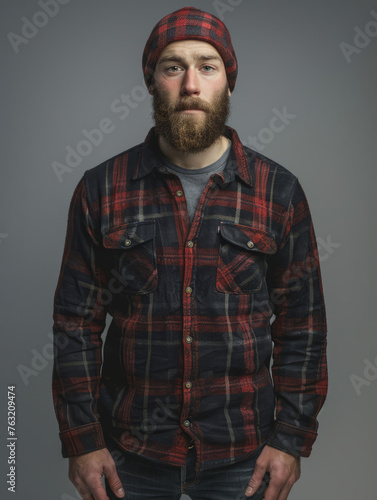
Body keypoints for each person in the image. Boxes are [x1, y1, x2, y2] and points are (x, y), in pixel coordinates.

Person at [52, 6, 328, 500]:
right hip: (127, 453)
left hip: (243, 452)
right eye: (173, 66)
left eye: (207, 66)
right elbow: (75, 324)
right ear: (152, 81)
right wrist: (82, 442)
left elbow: (302, 325)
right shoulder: (101, 188)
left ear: (228, 81)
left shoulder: (278, 190)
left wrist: (291, 441)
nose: (191, 85)